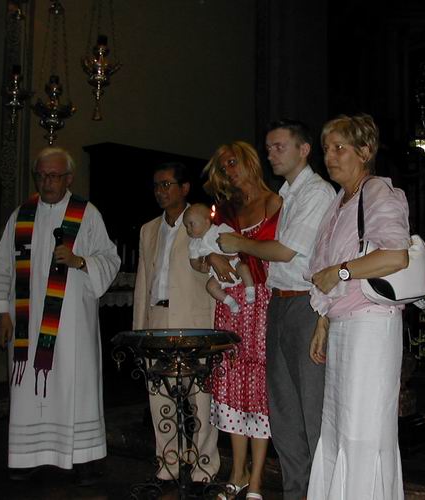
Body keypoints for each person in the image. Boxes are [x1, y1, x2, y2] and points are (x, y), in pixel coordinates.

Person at [217, 119, 336, 499]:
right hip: (278, 302)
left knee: (310, 407)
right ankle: (296, 491)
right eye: (268, 148)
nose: (271, 154)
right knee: (283, 410)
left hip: (305, 302)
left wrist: (238, 243)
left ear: (304, 150)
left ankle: (320, 492)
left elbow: (285, 252)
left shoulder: (317, 192)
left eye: (279, 146)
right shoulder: (286, 195)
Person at [0, 147, 120, 485]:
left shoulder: (86, 213)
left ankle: (83, 457)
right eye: (41, 176)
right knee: (27, 393)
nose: (46, 182)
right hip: (28, 324)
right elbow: (3, 266)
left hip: (73, 326)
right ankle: (28, 456)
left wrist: (80, 261)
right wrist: (2, 313)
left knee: (76, 387)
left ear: (69, 178)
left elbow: (110, 258)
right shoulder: (21, 215)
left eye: (54, 176)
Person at [307, 114, 409, 499]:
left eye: (340, 148)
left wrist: (342, 272)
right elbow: (326, 271)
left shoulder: (377, 191)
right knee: (339, 426)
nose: (329, 157)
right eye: (326, 149)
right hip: (344, 323)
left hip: (372, 325)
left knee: (363, 429)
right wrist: (323, 323)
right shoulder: (340, 202)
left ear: (365, 151)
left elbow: (396, 256)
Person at [199, 141, 281, 500]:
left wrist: (241, 249)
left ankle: (257, 478)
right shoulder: (225, 209)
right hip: (231, 305)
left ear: (249, 161)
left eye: (233, 163)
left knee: (258, 388)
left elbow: (285, 254)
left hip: (262, 302)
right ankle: (237, 472)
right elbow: (198, 250)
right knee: (231, 384)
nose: (229, 172)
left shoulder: (276, 202)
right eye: (223, 167)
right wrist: (211, 258)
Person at [132, 162, 220, 484]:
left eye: (167, 184)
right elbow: (143, 280)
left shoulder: (201, 222)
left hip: (194, 318)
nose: (161, 191)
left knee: (200, 396)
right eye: (157, 185)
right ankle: (168, 461)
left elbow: (213, 272)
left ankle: (204, 465)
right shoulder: (148, 229)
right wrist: (139, 329)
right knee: (159, 394)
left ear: (184, 188)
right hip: (157, 317)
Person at [183, 203, 255, 314]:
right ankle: (230, 302)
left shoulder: (220, 229)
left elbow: (237, 238)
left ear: (206, 221)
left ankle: (250, 289)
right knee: (210, 287)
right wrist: (200, 267)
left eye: (191, 224)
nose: (188, 229)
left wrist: (234, 250)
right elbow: (193, 261)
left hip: (234, 263)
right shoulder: (194, 244)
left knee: (244, 268)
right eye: (186, 226)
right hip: (216, 274)